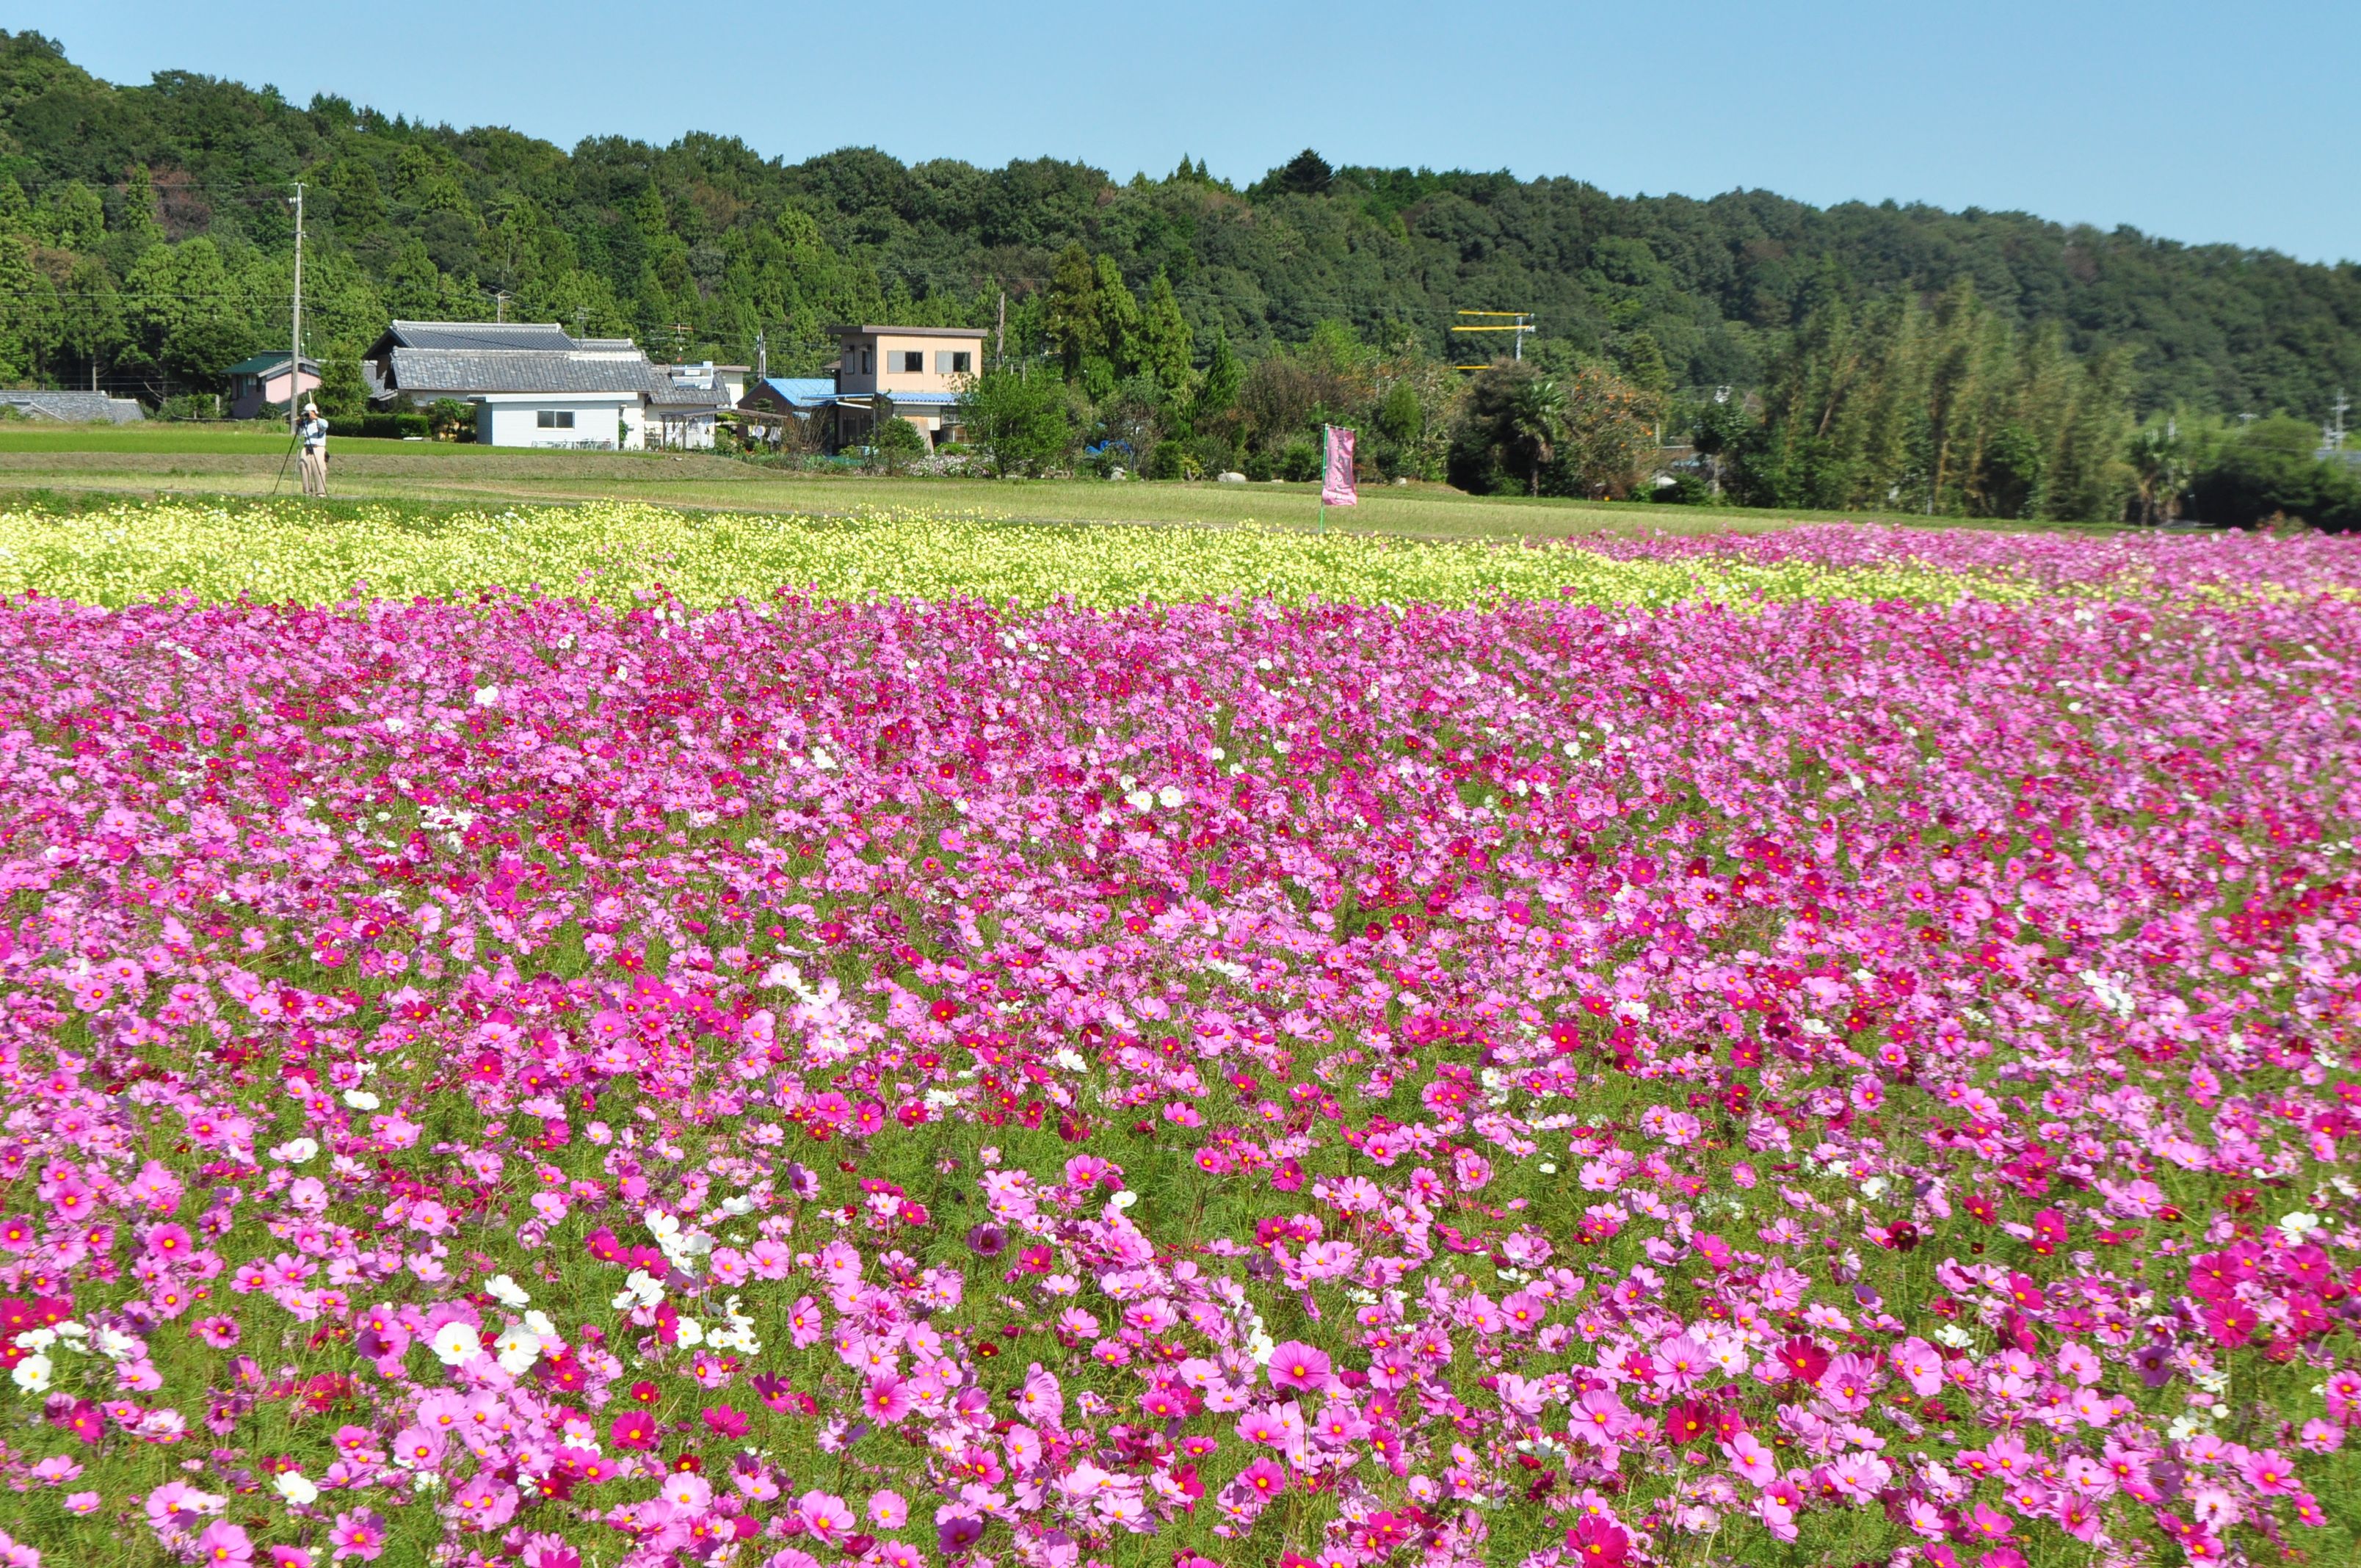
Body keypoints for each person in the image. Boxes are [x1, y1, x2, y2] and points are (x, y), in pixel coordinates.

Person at [297, 402, 330, 498]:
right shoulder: (306, 423)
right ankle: (307, 492)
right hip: (307, 447)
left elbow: (325, 426)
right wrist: (299, 423)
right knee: (303, 467)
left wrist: (315, 417)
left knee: (319, 469)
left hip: (317, 448)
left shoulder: (320, 422)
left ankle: (321, 492)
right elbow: (301, 431)